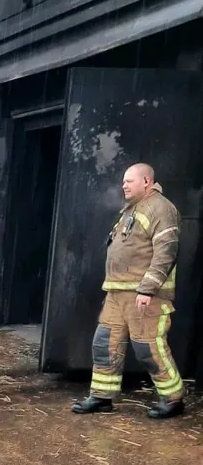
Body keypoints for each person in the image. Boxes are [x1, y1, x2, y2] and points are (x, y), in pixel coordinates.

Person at [73, 163, 184, 419]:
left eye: (129, 181)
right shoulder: (131, 210)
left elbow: (166, 252)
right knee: (105, 344)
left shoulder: (161, 208)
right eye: (123, 181)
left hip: (145, 296)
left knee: (148, 348)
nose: (124, 185)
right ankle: (102, 397)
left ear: (147, 181)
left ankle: (173, 398)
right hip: (117, 294)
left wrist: (147, 289)